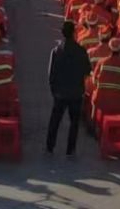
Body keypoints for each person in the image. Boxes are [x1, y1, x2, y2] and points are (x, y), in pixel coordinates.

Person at [45, 20, 91, 155]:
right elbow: (87, 70)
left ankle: (50, 146)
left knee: (55, 120)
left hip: (60, 93)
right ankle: (70, 149)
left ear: (62, 33)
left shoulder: (56, 51)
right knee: (74, 122)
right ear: (74, 33)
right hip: (76, 92)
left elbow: (51, 74)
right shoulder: (81, 51)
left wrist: (53, 90)